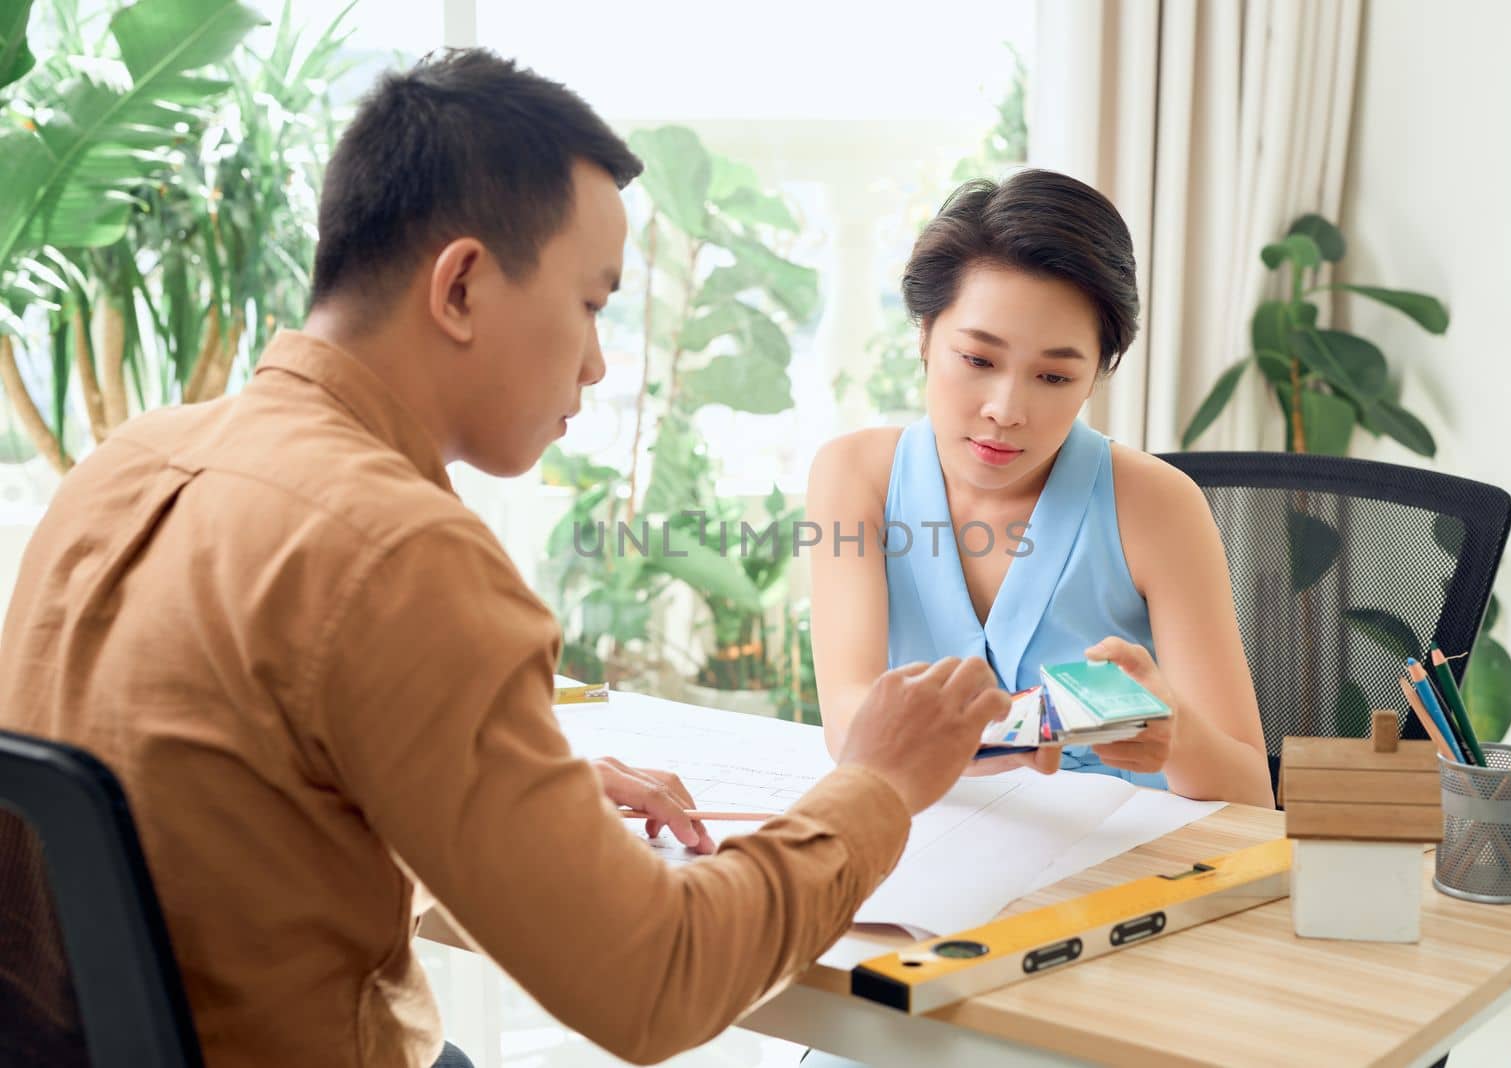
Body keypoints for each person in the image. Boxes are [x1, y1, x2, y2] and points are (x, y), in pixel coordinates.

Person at [0, 50, 1012, 1067]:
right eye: (591, 304)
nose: (597, 362)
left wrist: (522, 791)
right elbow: (657, 985)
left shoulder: (124, 465)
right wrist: (879, 784)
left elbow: (223, 803)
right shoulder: (395, 549)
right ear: (463, 285)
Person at [807, 169, 1274, 807]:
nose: (1006, 409)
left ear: (1096, 376)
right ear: (923, 335)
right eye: (977, 360)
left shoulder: (1158, 505)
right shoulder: (855, 477)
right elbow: (848, 723)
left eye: (1053, 377)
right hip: (935, 853)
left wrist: (1176, 734)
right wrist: (1023, 730)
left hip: (1125, 870)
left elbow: (1249, 789)